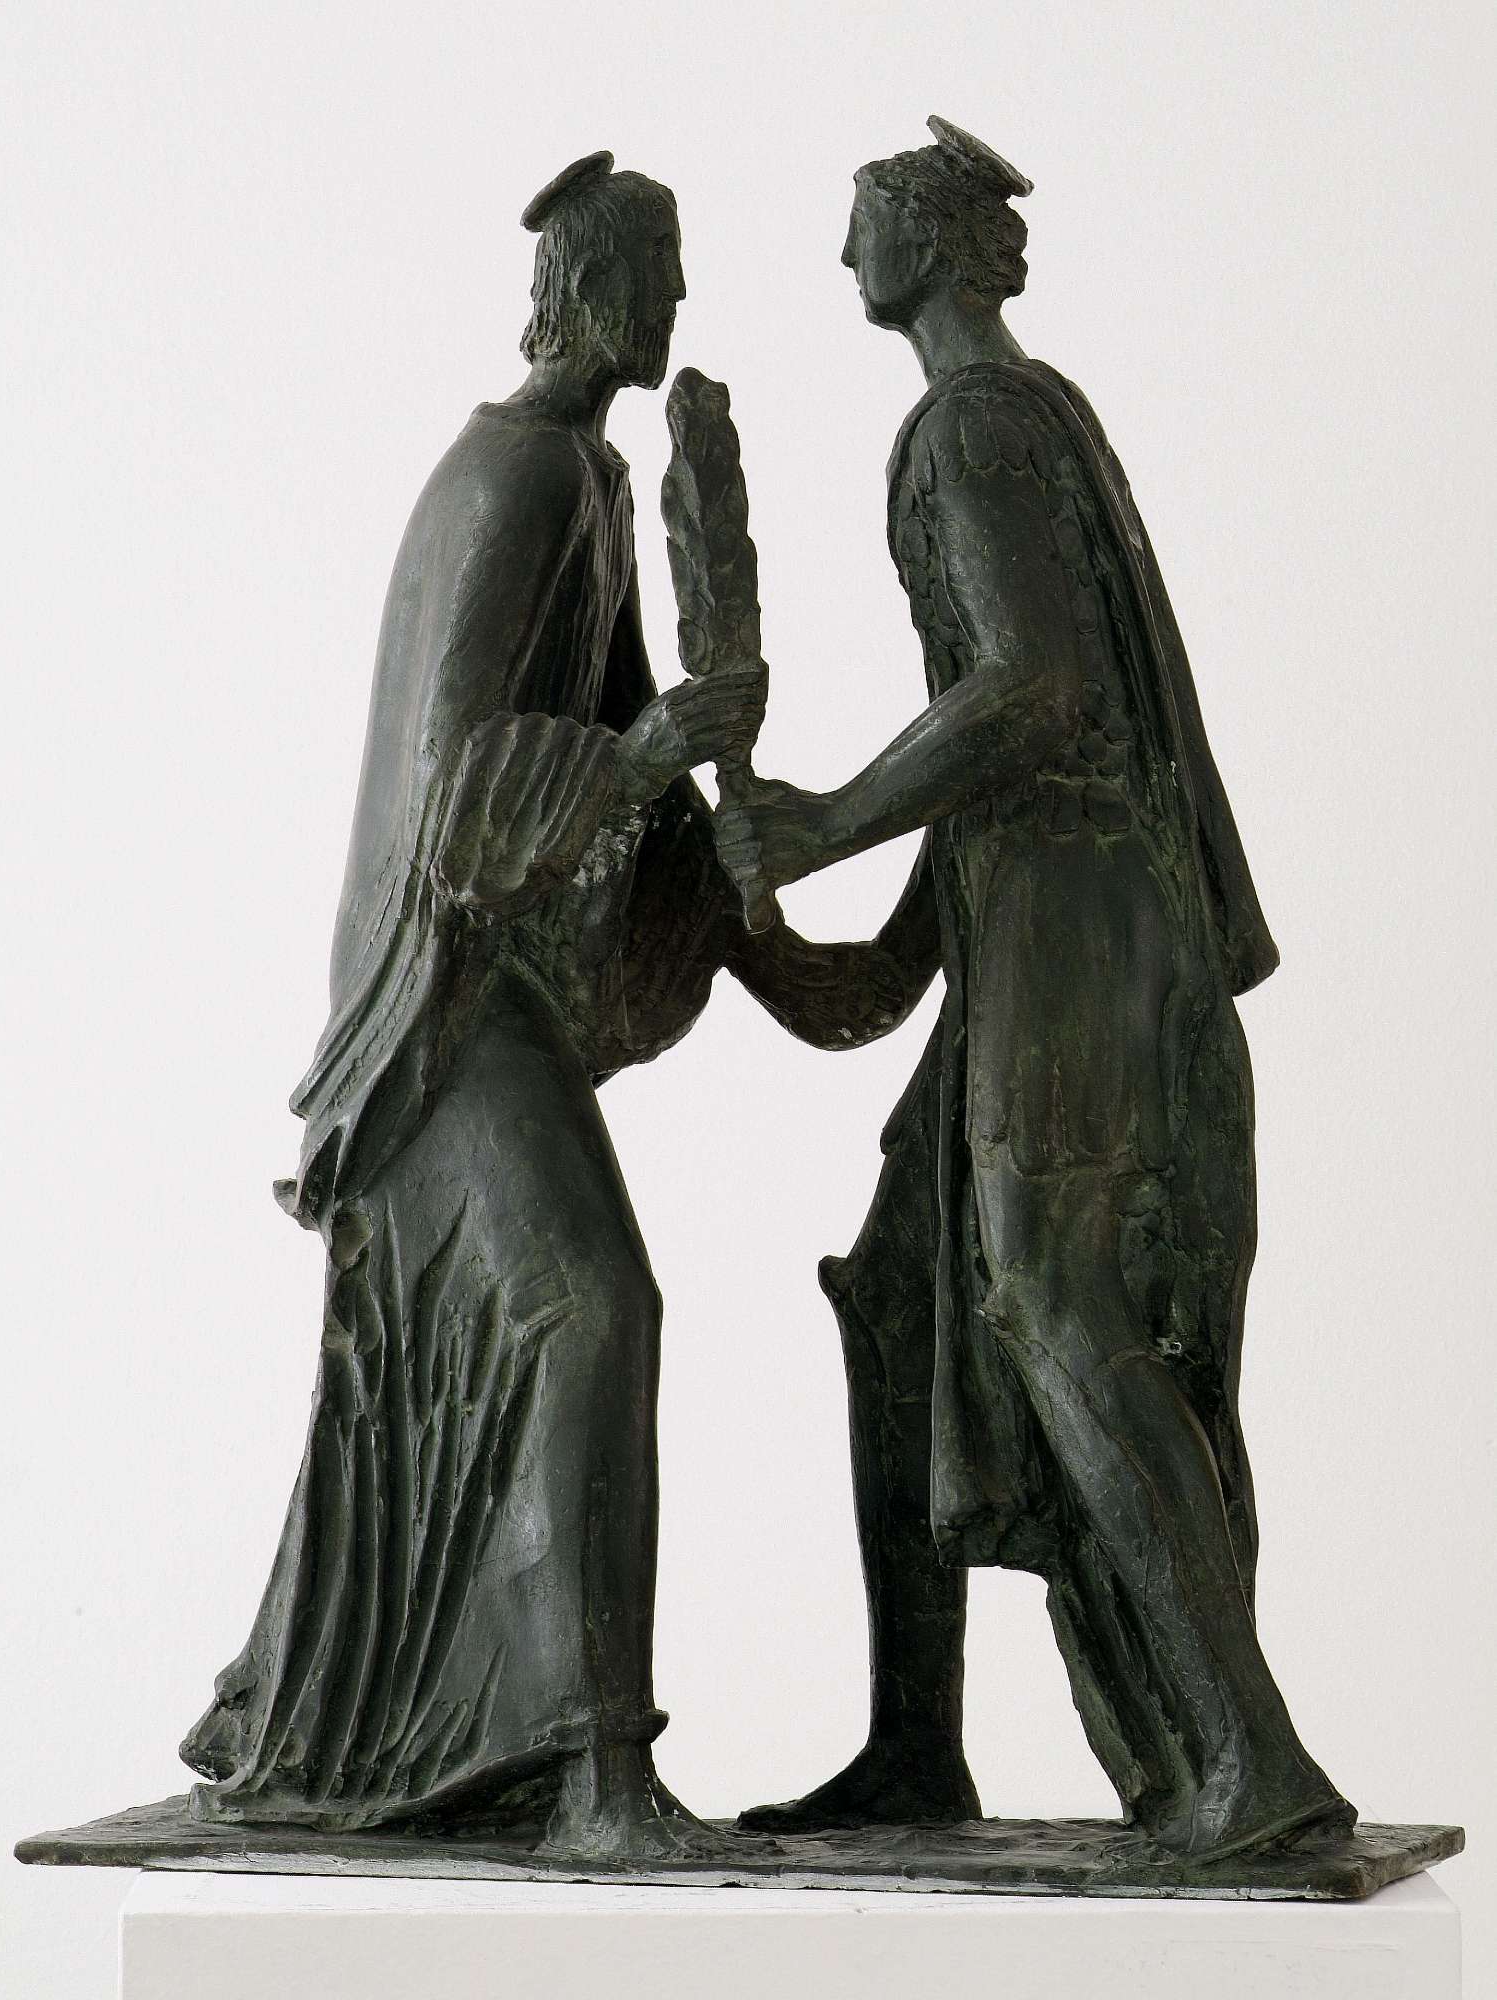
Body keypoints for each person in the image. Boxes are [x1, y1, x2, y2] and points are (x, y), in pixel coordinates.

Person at [179, 152, 907, 1859]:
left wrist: (737, 860)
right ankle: (596, 1780)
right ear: (585, 292)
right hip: (436, 1001)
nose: (676, 304)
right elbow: (458, 788)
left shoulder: (595, 476)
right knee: (592, 1306)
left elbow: (633, 738)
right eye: (657, 275)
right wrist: (650, 759)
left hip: (497, 980)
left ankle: (497, 1751)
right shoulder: (513, 478)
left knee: (550, 1326)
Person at [718, 118, 1355, 1860]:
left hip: (1082, 939)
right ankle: (916, 1745)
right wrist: (794, 933)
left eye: (863, 219)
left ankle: (1253, 1762)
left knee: (1063, 1310)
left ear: (929, 240)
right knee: (902, 1299)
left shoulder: (973, 424)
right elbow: (995, 779)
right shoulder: (1023, 415)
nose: (843, 250)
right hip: (1047, 917)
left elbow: (1035, 695)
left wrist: (826, 817)